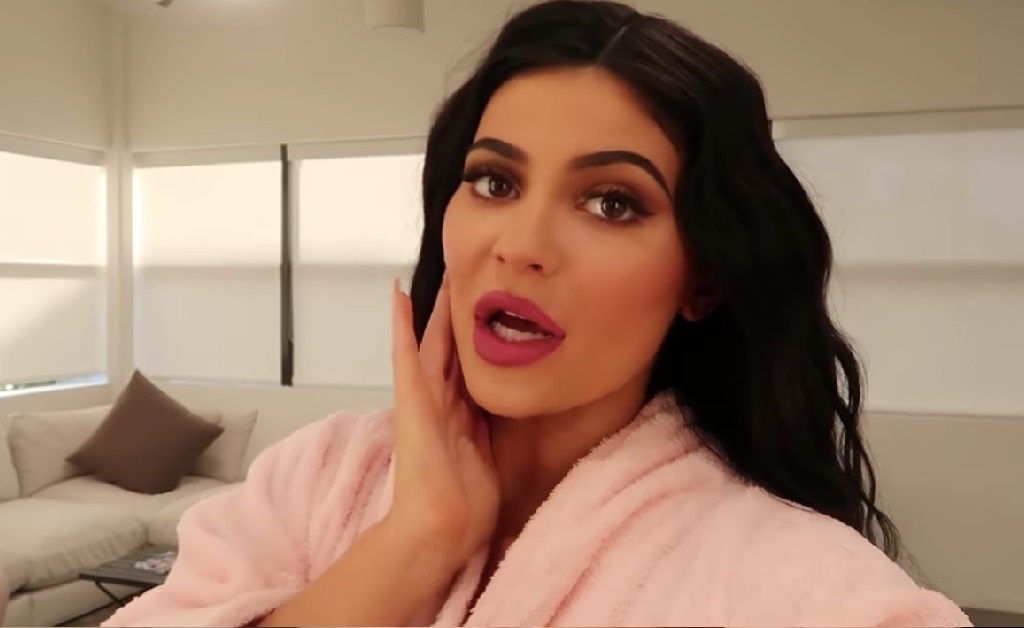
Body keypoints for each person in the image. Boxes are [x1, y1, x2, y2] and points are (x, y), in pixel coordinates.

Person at [103, 1, 970, 626]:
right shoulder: (314, 479)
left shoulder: (801, 587)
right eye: (494, 181)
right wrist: (413, 542)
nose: (520, 245)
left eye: (612, 203)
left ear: (703, 280)